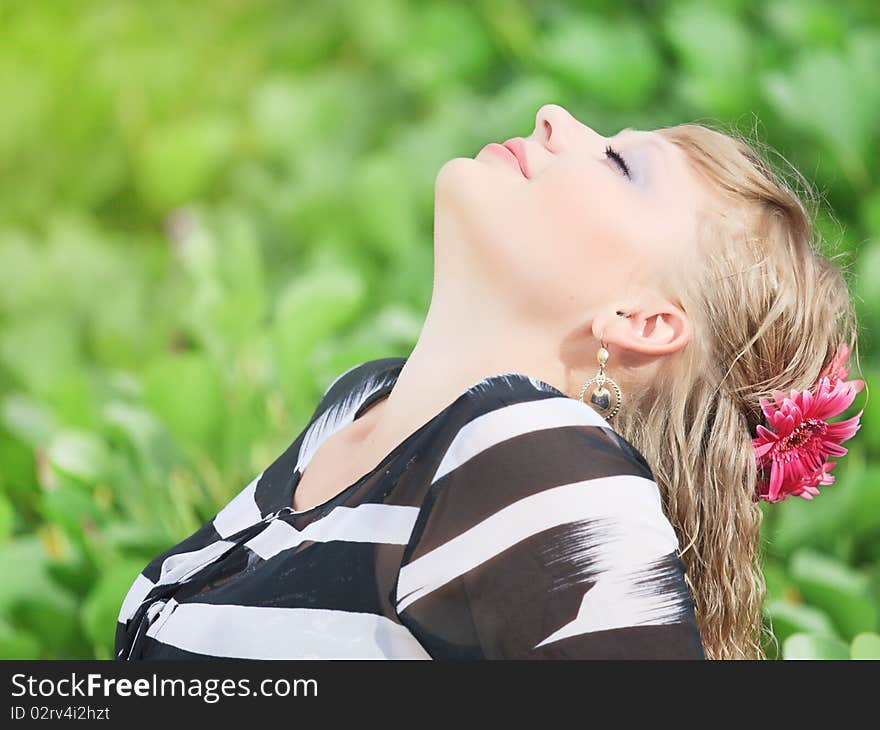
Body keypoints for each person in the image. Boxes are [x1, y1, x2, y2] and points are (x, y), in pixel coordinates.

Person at [115, 103, 863, 660]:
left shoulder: (535, 460)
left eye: (619, 165)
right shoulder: (352, 407)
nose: (553, 117)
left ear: (644, 320)